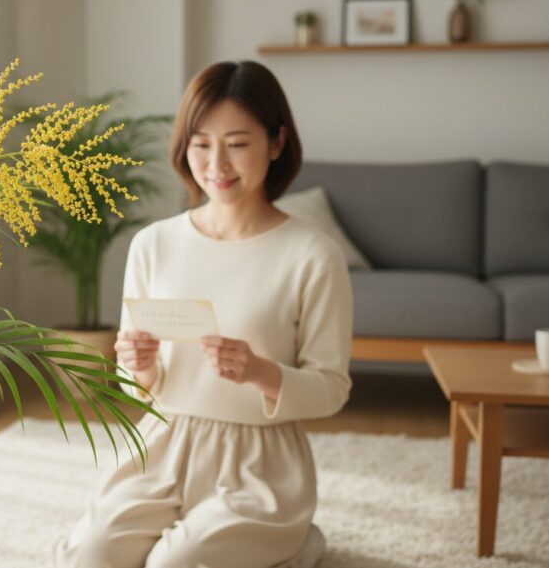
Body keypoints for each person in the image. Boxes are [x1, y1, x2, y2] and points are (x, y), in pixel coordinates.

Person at [51, 60, 353, 568]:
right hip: (161, 449)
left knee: (176, 562)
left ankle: (299, 543)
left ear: (276, 144)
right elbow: (137, 385)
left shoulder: (313, 255)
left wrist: (262, 372)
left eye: (237, 143)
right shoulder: (153, 244)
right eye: (201, 143)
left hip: (260, 465)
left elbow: (332, 389)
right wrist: (141, 366)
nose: (218, 163)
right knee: (91, 557)